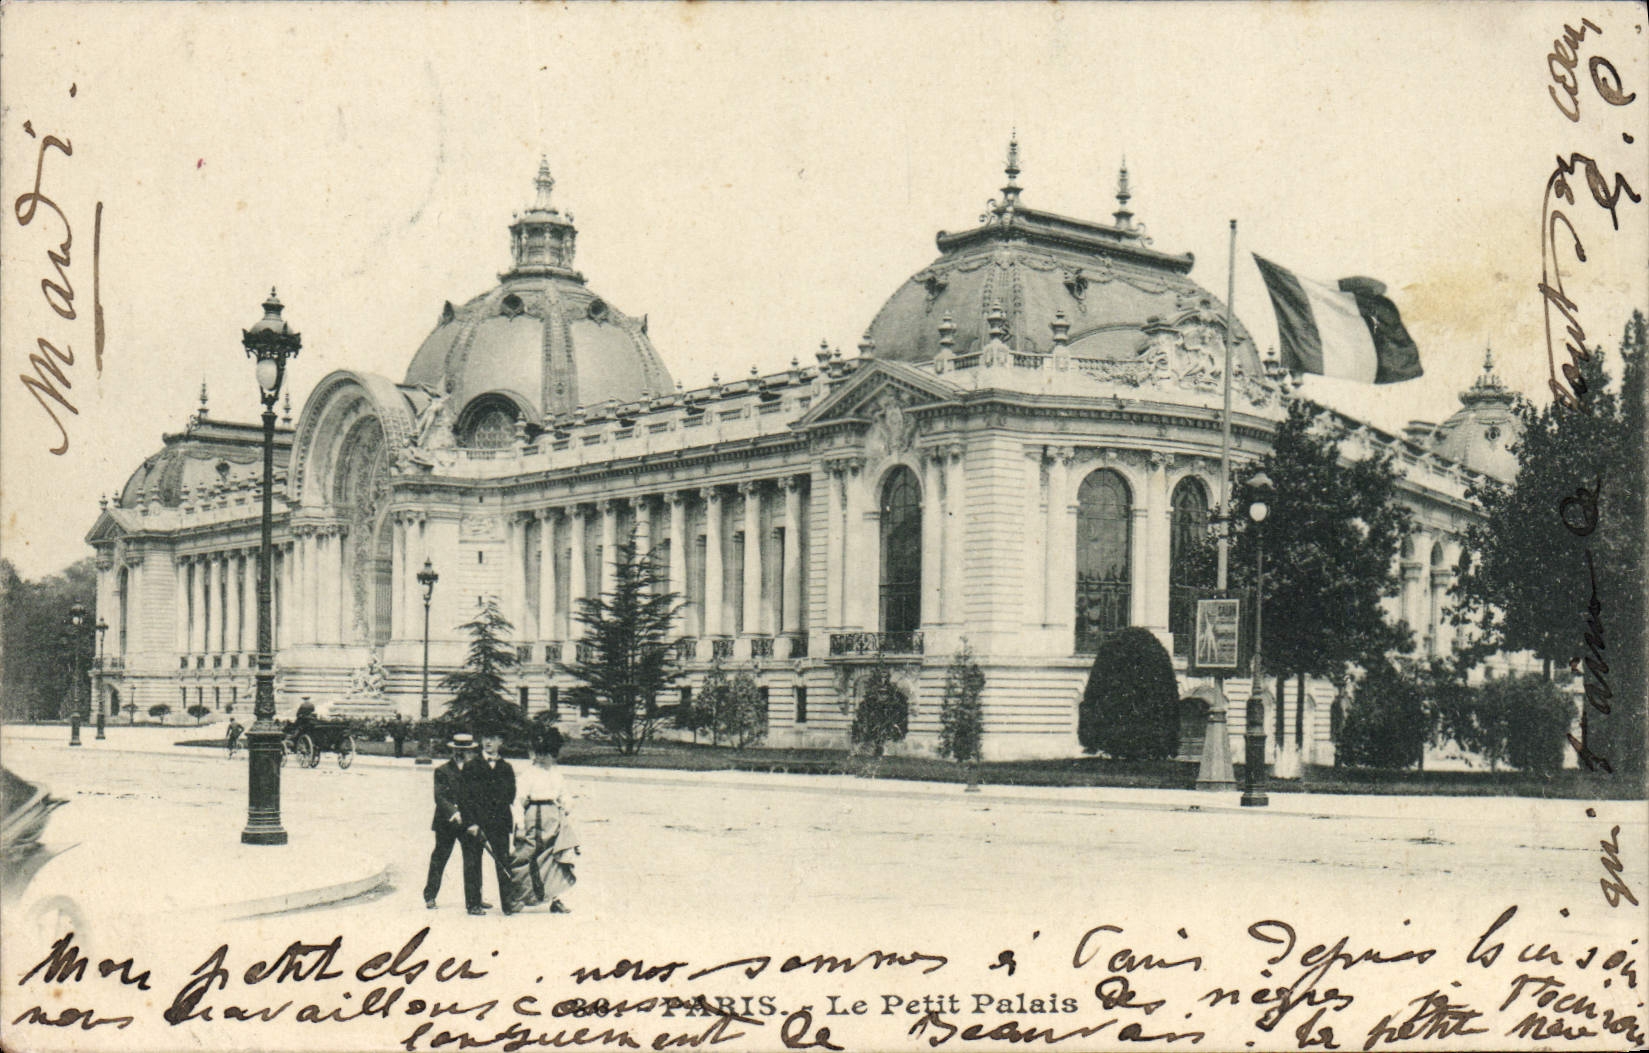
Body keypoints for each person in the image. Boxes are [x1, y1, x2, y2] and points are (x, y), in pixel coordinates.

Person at [508, 726, 578, 913]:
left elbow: (566, 796)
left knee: (555, 858)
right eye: (542, 753)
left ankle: (555, 899)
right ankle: (519, 897)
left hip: (553, 819)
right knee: (528, 856)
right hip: (534, 817)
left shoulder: (556, 773)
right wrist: (520, 825)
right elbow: (518, 801)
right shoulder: (528, 775)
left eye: (549, 754)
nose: (545, 758)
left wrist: (566, 807)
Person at [424, 734, 487, 911]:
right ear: (453, 750)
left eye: (466, 750)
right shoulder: (442, 771)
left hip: (469, 823)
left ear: (471, 751)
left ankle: (475, 901)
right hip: (446, 823)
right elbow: (440, 797)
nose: (462, 753)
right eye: (458, 750)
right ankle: (430, 896)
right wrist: (454, 812)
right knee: (440, 857)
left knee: (473, 859)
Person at [461, 730, 517, 915]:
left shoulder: (506, 768)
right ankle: (473, 903)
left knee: (503, 862)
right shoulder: (471, 766)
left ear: (500, 741)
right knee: (473, 863)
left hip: (499, 823)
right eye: (485, 737)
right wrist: (471, 823)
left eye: (492, 738)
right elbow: (464, 798)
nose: (488, 742)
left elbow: (511, 795)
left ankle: (508, 904)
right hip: (476, 823)